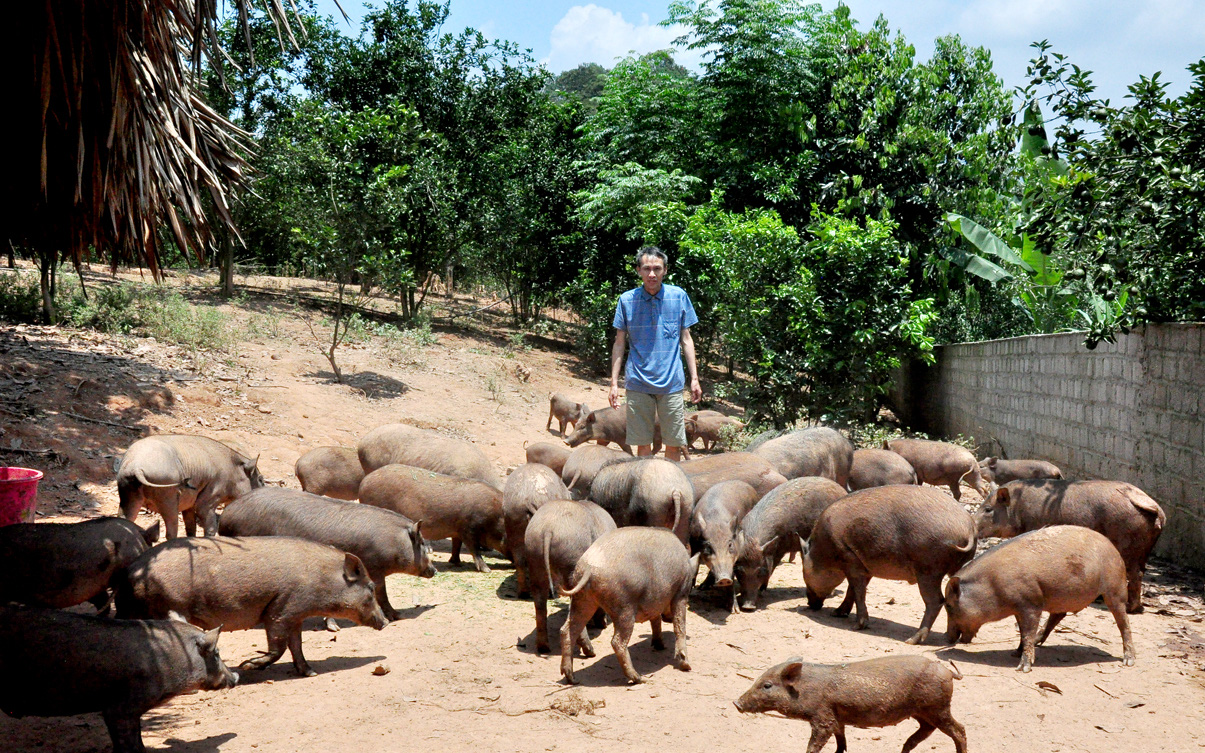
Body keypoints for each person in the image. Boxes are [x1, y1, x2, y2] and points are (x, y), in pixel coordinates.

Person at [608, 246, 702, 461]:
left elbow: (686, 339)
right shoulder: (626, 300)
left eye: (657, 269)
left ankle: (671, 489)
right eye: (647, 268)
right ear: (638, 270)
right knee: (643, 446)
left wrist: (694, 379)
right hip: (638, 383)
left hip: (671, 384)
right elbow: (619, 344)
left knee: (674, 444)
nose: (652, 274)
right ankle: (646, 491)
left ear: (665, 270)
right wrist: (614, 383)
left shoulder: (678, 297)